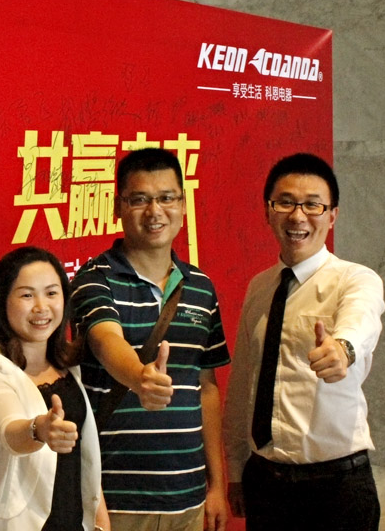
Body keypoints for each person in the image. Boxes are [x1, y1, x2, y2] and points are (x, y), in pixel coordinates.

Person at [70, 147, 231, 531]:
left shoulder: (201, 287)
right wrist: (140, 377)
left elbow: (206, 388)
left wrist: (217, 485)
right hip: (114, 499)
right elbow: (106, 341)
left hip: (189, 496)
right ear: (118, 207)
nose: (155, 211)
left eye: (166, 198)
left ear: (183, 205)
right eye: (139, 199)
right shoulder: (94, 279)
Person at [223, 153, 384, 531]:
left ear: (332, 216)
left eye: (313, 205)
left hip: (337, 487)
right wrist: (235, 468)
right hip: (266, 483)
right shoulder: (260, 287)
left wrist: (343, 349)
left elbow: (361, 320)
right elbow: (244, 382)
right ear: (268, 212)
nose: (298, 216)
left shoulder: (355, 279)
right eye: (285, 203)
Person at [0, 246, 109, 530]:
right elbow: (10, 431)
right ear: (1, 301)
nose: (41, 307)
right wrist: (39, 429)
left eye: (51, 293)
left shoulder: (67, 364)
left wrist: (101, 521)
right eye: (27, 295)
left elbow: (83, 458)